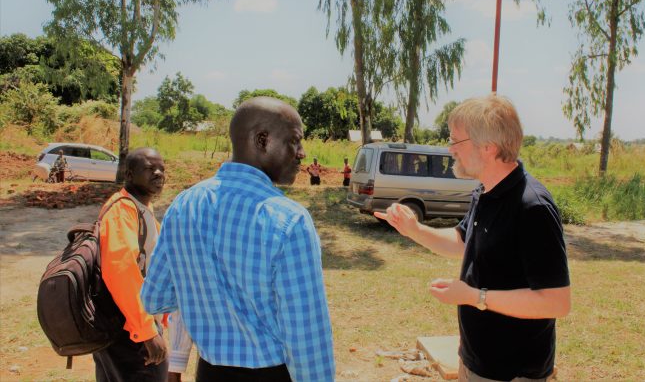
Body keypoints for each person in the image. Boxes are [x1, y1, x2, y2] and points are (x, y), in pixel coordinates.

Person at [376, 95, 570, 382]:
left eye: (456, 141)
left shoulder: (533, 207)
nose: (450, 149)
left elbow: (556, 302)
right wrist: (413, 229)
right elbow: (462, 242)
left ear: (489, 147)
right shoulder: (485, 191)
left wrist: (473, 297)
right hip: (475, 360)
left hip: (513, 372)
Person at [141, 97, 335, 382]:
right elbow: (306, 338)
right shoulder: (289, 220)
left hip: (209, 372)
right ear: (262, 140)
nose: (302, 153)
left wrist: (202, 292)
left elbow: (155, 299)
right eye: (295, 141)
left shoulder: (183, 206)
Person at [94, 147, 168, 382]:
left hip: (128, 325)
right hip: (128, 330)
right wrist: (146, 331)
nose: (158, 173)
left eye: (162, 169)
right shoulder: (122, 211)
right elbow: (122, 271)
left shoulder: (140, 208)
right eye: (149, 168)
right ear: (129, 174)